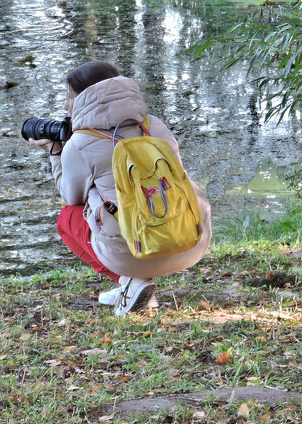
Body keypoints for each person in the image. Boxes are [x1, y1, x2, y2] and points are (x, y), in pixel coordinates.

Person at [27, 61, 212, 314]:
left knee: (68, 217)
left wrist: (55, 152)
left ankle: (128, 280)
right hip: (190, 242)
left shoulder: (79, 144)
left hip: (133, 257)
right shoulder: (154, 125)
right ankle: (131, 283)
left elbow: (71, 197)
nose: (65, 105)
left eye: (69, 97)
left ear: (84, 98)